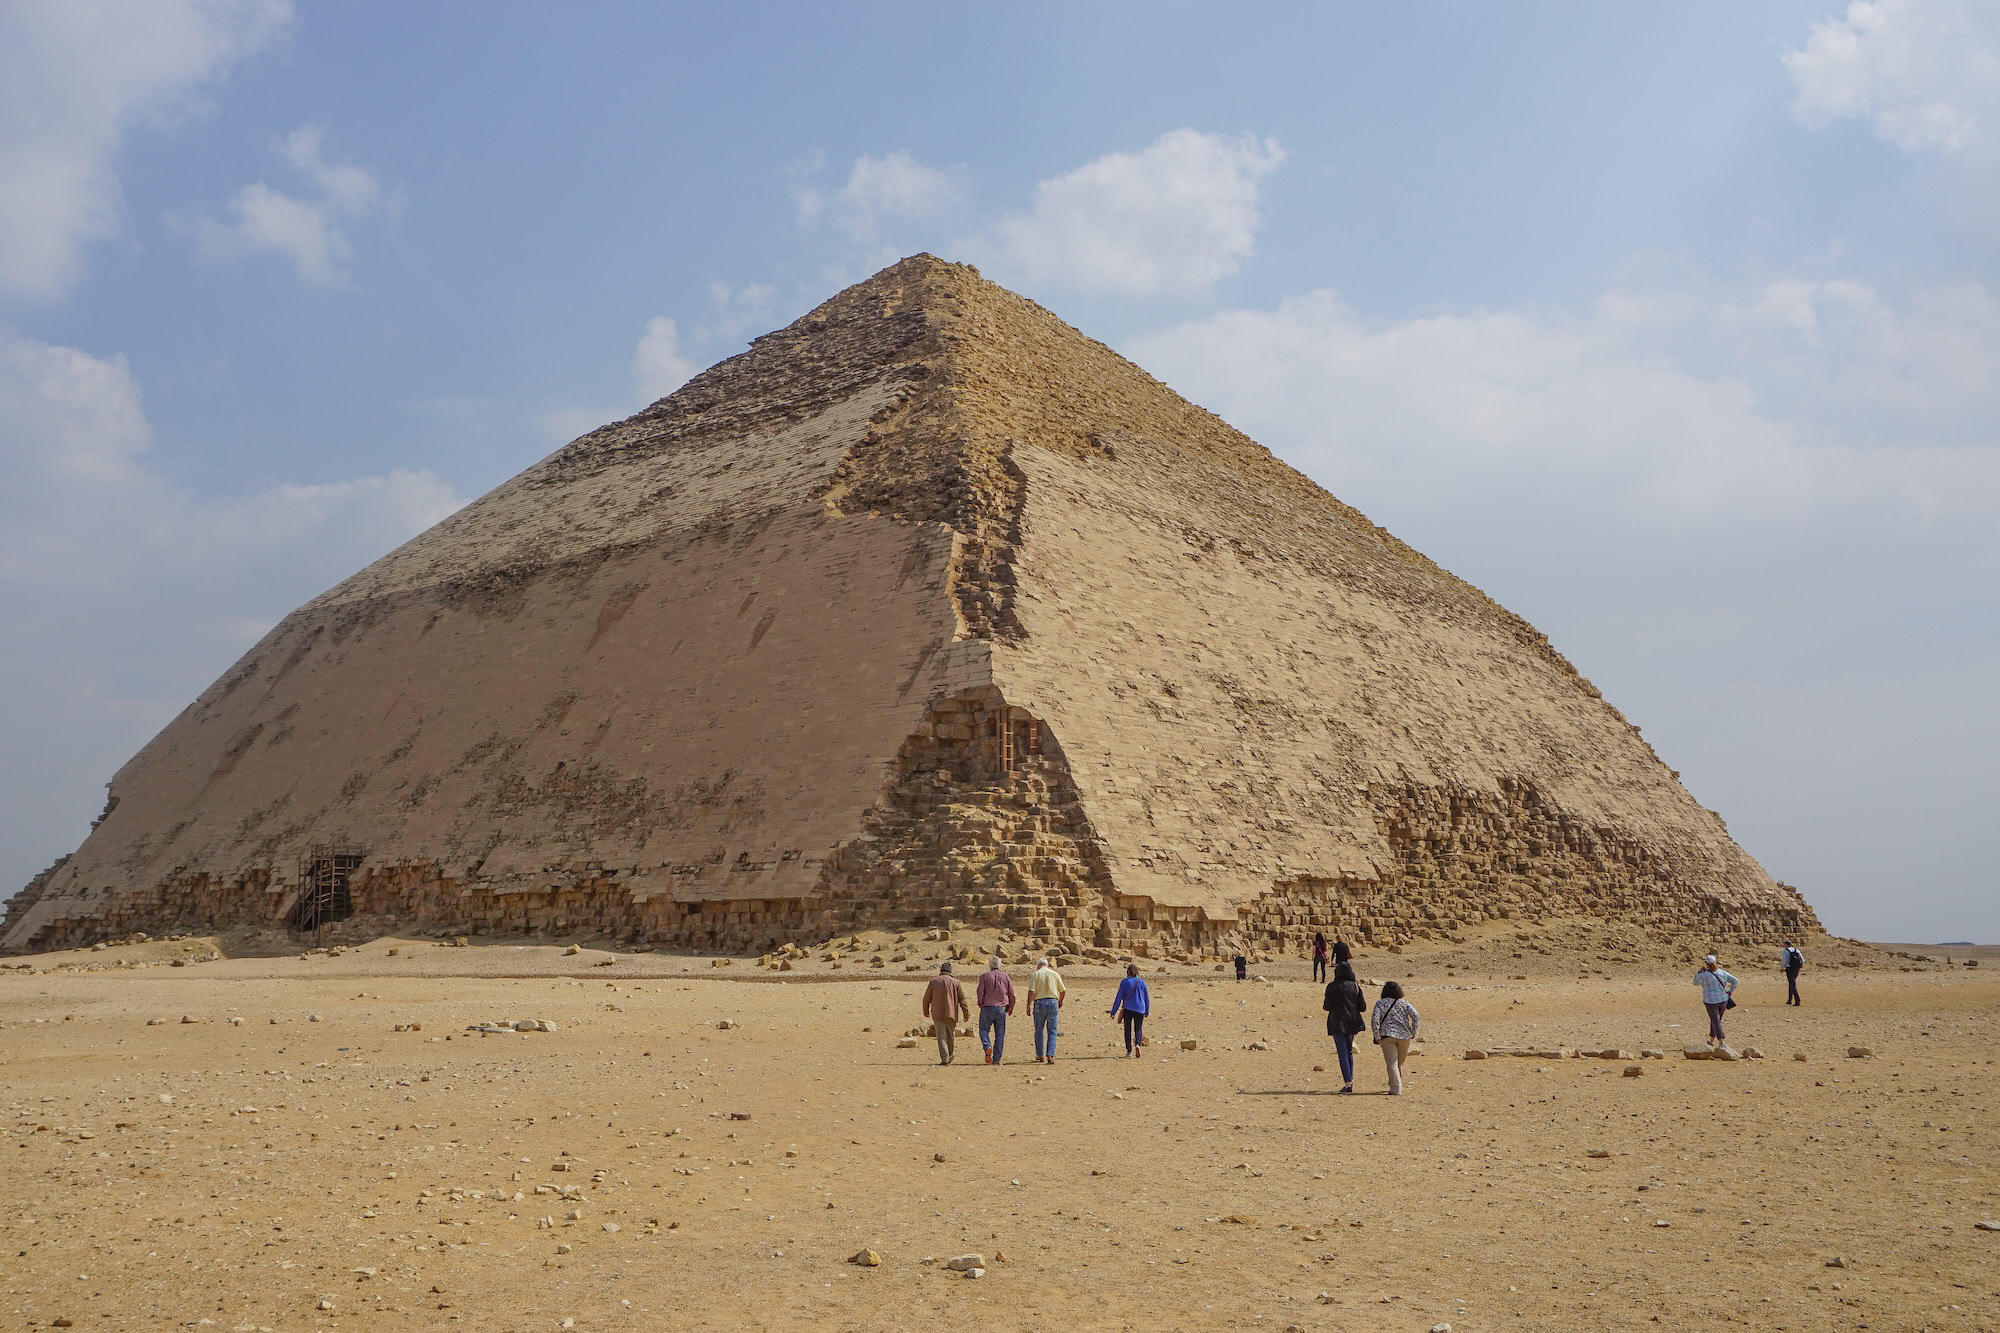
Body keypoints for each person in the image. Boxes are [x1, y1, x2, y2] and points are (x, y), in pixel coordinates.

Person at [1369, 980, 1420, 1096]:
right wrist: (1413, 1032)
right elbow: (1416, 1016)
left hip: (1387, 1036)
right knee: (1399, 1063)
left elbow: (1374, 1020)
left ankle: (1396, 1089)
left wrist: (1377, 1036)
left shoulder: (1380, 1003)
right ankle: (1395, 1084)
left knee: (1392, 1062)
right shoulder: (1404, 1003)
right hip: (1404, 1036)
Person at [1322, 960, 1365, 1093]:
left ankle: (1348, 1083)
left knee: (1342, 1052)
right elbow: (1362, 1007)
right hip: (1352, 1021)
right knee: (1349, 1052)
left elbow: (1326, 1006)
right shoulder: (1355, 986)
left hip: (1337, 1021)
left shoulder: (1332, 986)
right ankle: (1349, 1081)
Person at [921, 961, 969, 1066]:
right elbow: (962, 1000)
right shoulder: (956, 982)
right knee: (950, 1035)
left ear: (941, 970)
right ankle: (950, 1055)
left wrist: (926, 1010)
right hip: (951, 1013)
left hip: (937, 1013)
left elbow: (926, 999)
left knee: (941, 1035)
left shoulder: (933, 981)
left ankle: (945, 1058)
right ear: (950, 971)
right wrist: (966, 1013)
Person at [976, 955, 1016, 1064]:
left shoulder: (984, 976)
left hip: (987, 1008)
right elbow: (1011, 994)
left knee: (983, 1030)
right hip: (1001, 1009)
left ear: (990, 965)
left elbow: (980, 991)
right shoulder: (1005, 977)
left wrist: (980, 1003)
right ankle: (997, 1058)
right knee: (1000, 1034)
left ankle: (987, 1046)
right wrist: (1011, 1006)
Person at [1694, 954, 1738, 1045]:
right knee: (1716, 1020)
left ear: (1706, 963)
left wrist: (1699, 972)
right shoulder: (1722, 972)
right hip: (1723, 1000)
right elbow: (1735, 980)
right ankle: (1712, 1039)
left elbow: (1695, 983)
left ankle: (1721, 1041)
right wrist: (1730, 991)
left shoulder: (1703, 975)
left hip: (1710, 1001)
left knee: (1715, 1020)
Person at [1029, 958, 1066, 1063]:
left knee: (1039, 1030)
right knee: (1052, 1030)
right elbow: (1063, 990)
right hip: (1052, 1002)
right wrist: (1060, 1001)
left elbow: (1031, 991)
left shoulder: (1035, 974)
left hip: (1039, 1003)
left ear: (1039, 965)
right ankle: (1050, 1055)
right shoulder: (1054, 974)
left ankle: (1040, 1055)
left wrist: (1028, 1004)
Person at [1109, 962, 1150, 1057]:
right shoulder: (1142, 982)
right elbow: (1146, 998)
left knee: (1127, 1029)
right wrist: (1147, 1010)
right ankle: (1137, 1045)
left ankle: (1129, 1051)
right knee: (1138, 1029)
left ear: (1127, 972)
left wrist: (1113, 1011)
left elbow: (1118, 997)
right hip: (1140, 1008)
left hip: (1128, 1009)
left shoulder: (1124, 982)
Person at [1779, 941, 1805, 1007]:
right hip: (1797, 968)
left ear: (1786, 945)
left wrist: (1782, 968)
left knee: (1792, 984)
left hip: (1789, 968)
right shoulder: (1797, 950)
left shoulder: (1786, 951)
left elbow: (1784, 961)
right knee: (1791, 983)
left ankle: (1797, 1001)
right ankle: (1789, 1000)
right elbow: (1802, 960)